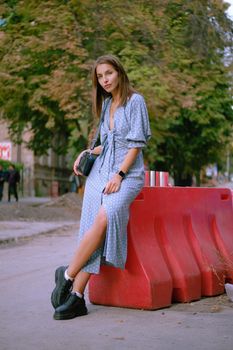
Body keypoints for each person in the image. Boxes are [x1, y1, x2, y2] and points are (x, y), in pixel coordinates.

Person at [51, 54, 151, 320]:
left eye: (109, 73)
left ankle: (68, 274)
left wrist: (119, 174)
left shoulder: (135, 101)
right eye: (99, 76)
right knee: (93, 226)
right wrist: (85, 153)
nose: (104, 80)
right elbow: (104, 144)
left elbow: (136, 144)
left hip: (126, 174)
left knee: (107, 215)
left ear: (119, 72)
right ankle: (77, 296)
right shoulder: (106, 105)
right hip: (100, 172)